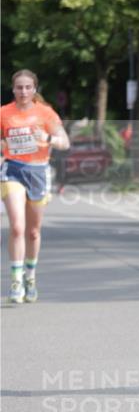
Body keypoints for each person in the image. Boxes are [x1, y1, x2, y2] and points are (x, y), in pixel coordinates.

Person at [1, 70, 70, 304]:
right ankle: (16, 281)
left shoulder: (46, 113)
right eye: (19, 87)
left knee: (33, 231)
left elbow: (65, 142)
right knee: (18, 227)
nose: (23, 92)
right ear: (13, 89)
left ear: (34, 89)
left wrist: (47, 138)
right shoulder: (3, 113)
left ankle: (30, 276)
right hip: (12, 171)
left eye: (28, 87)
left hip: (39, 172)